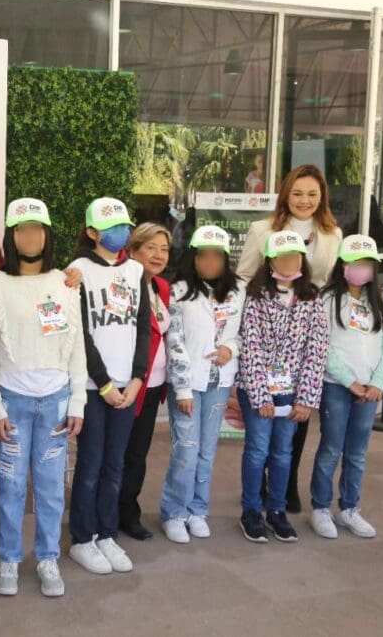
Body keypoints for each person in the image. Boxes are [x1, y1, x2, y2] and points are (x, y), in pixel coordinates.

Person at [0, 199, 87, 598]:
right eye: (22, 229)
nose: (30, 236)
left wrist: (77, 401)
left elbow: (76, 346)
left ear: (47, 234)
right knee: (10, 487)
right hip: (12, 401)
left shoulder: (65, 283)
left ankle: (47, 557)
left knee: (50, 487)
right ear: (11, 236)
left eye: (37, 228)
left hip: (55, 401)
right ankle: (9, 558)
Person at [236, 164, 342, 514]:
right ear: (285, 195)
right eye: (297, 193)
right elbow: (244, 277)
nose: (304, 200)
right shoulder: (262, 229)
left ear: (322, 197)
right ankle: (257, 490)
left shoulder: (332, 234)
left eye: (312, 194)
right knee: (262, 430)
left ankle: (286, 483)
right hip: (265, 332)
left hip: (305, 332)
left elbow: (331, 282)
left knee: (295, 420)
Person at [67, 198, 151, 575]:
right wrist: (103, 383)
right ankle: (82, 538)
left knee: (115, 464)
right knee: (90, 464)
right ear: (91, 232)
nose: (120, 232)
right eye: (111, 227)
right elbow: (79, 333)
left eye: (124, 226)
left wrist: (137, 379)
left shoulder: (136, 271)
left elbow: (143, 328)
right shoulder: (77, 271)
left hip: (126, 386)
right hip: (92, 387)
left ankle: (106, 533)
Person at [237, 230, 328, 544]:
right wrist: (261, 395)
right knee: (257, 450)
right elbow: (250, 347)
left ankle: (277, 510)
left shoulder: (312, 298)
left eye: (294, 256)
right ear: (270, 260)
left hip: (292, 390)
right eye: (282, 256)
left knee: (282, 452)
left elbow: (317, 350)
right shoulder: (255, 296)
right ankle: (251, 511)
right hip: (257, 388)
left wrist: (306, 399)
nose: (289, 261)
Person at [159, 226, 245, 543]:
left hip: (219, 382)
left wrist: (230, 349)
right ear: (193, 258)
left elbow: (241, 333)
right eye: (203, 255)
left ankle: (197, 510)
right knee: (186, 450)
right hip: (189, 384)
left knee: (207, 451)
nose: (210, 262)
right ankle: (174, 513)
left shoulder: (239, 290)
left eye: (217, 256)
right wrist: (182, 389)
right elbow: (175, 342)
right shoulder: (178, 291)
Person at [310, 235, 383, 539]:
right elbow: (322, 346)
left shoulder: (380, 300)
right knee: (330, 449)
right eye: (354, 262)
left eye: (366, 263)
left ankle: (349, 508)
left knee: (357, 453)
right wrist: (350, 382)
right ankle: (320, 508)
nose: (360, 268)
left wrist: (377, 383)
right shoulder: (328, 299)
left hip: (370, 391)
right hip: (336, 386)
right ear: (342, 265)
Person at [118, 222, 172, 541]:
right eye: (150, 247)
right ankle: (108, 513)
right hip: (127, 384)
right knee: (118, 454)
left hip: (154, 386)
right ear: (133, 250)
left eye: (164, 249)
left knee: (138, 454)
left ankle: (129, 512)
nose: (158, 255)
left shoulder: (161, 287)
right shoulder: (122, 284)